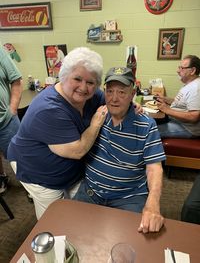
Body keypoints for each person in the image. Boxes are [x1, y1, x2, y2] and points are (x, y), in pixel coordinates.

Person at [7, 47, 108, 219]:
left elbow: (112, 103)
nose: (83, 87)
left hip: (69, 169)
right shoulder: (49, 108)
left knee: (79, 209)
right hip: (38, 170)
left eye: (90, 82)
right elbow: (77, 151)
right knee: (53, 220)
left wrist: (131, 105)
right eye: (77, 79)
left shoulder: (93, 95)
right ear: (64, 76)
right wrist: (95, 124)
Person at [74, 67, 166, 234]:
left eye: (122, 92)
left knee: (130, 244)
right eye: (110, 91)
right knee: (72, 234)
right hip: (90, 191)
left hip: (128, 197)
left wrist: (153, 204)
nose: (114, 99)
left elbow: (154, 167)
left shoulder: (146, 125)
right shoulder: (97, 114)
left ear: (132, 95)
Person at [156, 55, 200, 138]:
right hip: (177, 121)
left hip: (187, 128)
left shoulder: (196, 88)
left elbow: (194, 116)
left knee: (149, 130)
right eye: (179, 67)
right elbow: (181, 103)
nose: (178, 71)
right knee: (151, 121)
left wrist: (167, 110)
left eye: (182, 68)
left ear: (193, 70)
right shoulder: (189, 84)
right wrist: (165, 99)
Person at [0, 46, 23, 194]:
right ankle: (2, 177)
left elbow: (16, 80)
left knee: (19, 156)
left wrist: (12, 109)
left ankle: (31, 185)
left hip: (5, 120)